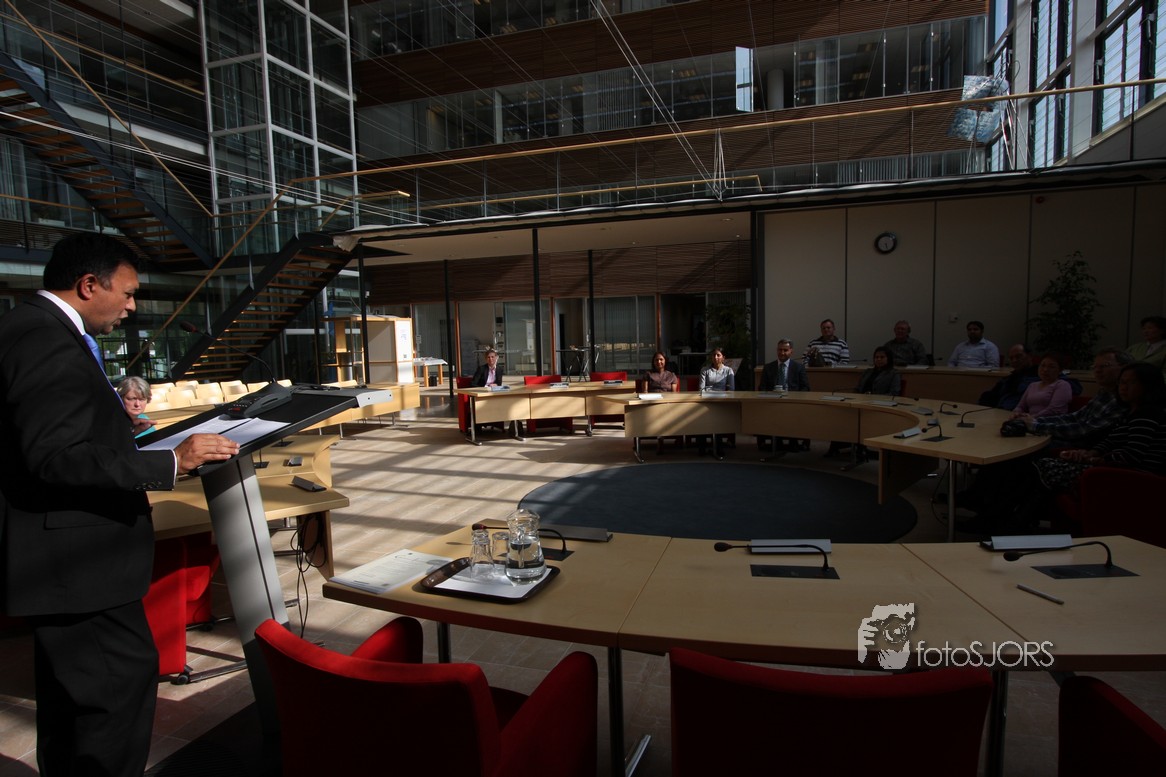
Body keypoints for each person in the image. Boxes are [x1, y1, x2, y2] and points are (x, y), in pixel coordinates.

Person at [0, 233, 240, 776]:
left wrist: (121, 436)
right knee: (113, 696)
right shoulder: (44, 338)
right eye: (128, 293)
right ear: (90, 284)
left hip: (61, 563)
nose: (132, 306)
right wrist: (169, 463)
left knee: (72, 702)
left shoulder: (31, 326)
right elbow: (56, 456)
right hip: (76, 565)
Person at [1033, 361, 1166, 496]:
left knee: (1042, 467)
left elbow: (1131, 455)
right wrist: (1089, 453)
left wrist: (1092, 460)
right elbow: (1110, 441)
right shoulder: (1128, 412)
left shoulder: (1148, 414)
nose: (1123, 387)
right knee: (1041, 465)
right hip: (1112, 468)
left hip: (1134, 478)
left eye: (1131, 383)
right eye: (1121, 382)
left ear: (1149, 385)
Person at [757, 339, 810, 452]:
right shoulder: (768, 367)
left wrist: (796, 398)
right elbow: (762, 387)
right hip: (772, 402)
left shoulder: (798, 367)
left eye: (785, 350)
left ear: (791, 351)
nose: (782, 353)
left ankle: (793, 442)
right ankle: (776, 441)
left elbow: (805, 387)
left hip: (792, 402)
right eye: (780, 350)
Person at [978, 343, 1038, 410]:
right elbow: (991, 395)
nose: (1014, 360)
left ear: (1030, 356)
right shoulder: (1008, 379)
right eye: (1011, 358)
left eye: (1018, 356)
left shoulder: (1038, 378)